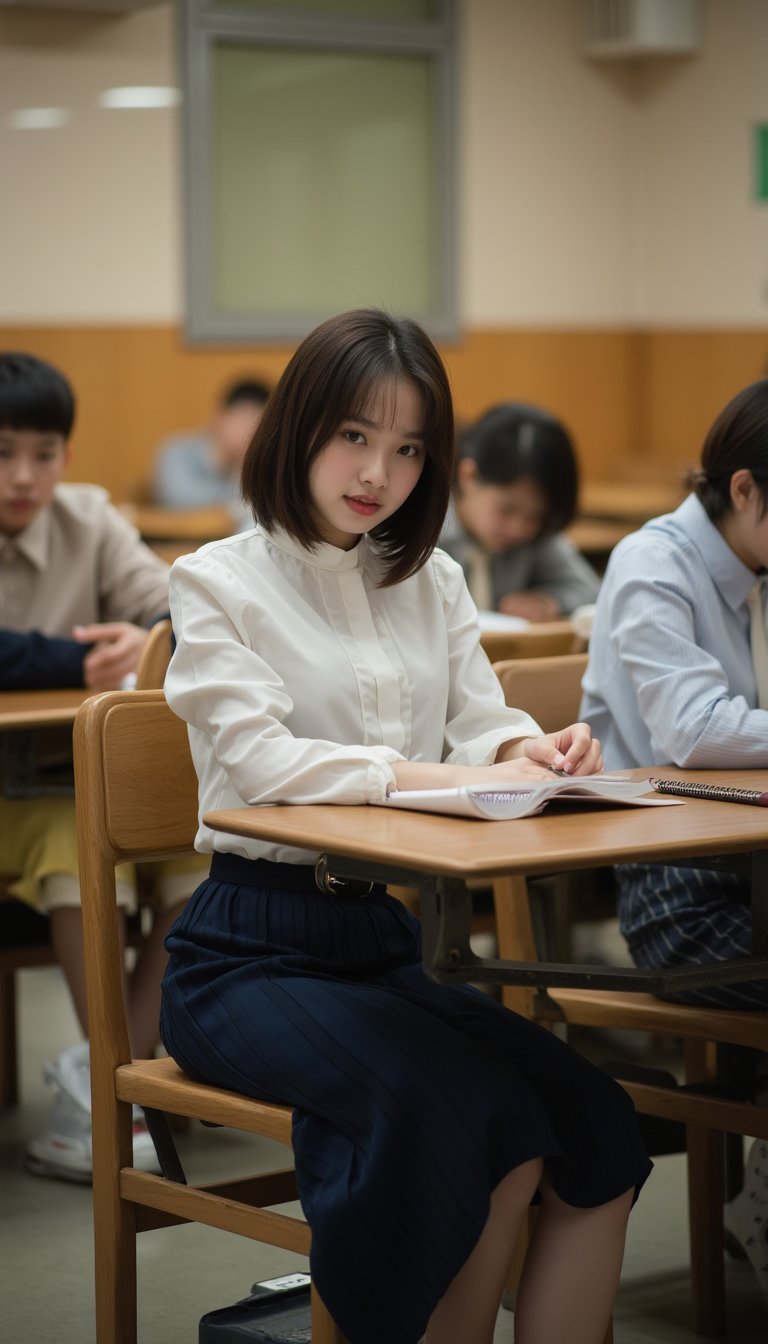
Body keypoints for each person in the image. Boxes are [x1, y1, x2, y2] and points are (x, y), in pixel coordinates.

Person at [161, 309, 651, 1344]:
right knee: (474, 1128)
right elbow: (257, 770)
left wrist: (531, 753)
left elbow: (481, 725)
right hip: (245, 956)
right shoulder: (217, 580)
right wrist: (417, 772)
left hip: (384, 943)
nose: (378, 471)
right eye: (355, 435)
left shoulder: (431, 578)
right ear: (299, 427)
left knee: (595, 1118)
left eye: (409, 447)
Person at [580, 376, 768, 1298]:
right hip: (680, 885)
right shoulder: (651, 565)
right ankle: (760, 1202)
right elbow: (694, 729)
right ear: (745, 490)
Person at [0, 351, 190, 1182]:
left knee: (205, 848)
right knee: (80, 848)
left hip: (81, 777)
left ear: (66, 458)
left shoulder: (90, 517)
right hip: (13, 799)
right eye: (2, 452)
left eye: (44, 454)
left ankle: (113, 1081)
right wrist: (70, 659)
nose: (23, 476)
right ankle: (124, 1087)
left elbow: (175, 603)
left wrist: (147, 633)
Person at [439, 401, 600, 621]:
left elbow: (590, 589)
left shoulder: (536, 535)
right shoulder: (425, 530)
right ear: (469, 476)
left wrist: (547, 601)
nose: (519, 528)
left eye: (537, 515)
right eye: (507, 510)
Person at [151, 377, 271, 527]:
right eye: (245, 421)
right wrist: (234, 507)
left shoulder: (258, 462)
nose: (250, 433)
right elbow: (179, 501)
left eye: (258, 426)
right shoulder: (175, 452)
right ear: (218, 415)